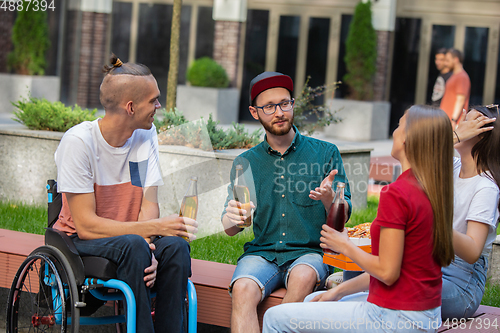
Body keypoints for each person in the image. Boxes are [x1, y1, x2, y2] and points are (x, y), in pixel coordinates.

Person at [262, 105, 455, 333]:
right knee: (313, 300)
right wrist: (338, 291)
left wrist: (345, 244)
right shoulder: (431, 189)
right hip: (424, 314)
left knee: (274, 317)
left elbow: (387, 272)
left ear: (408, 139)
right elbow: (397, 269)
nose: (394, 131)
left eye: (399, 125)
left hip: (394, 317)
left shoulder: (398, 193)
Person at [53, 55, 198, 333]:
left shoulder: (144, 135)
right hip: (80, 241)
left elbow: (147, 205)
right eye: (153, 100)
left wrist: (153, 246)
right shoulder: (79, 143)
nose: (159, 106)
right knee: (133, 245)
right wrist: (152, 233)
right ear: (130, 107)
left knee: (177, 248)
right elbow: (85, 226)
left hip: (134, 238)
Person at [221, 71, 352, 333]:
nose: (279, 112)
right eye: (269, 107)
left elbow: (345, 214)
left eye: (285, 103)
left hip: (309, 253)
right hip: (262, 253)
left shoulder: (326, 153)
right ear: (254, 112)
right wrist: (232, 218)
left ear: (293, 104)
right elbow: (230, 226)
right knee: (243, 288)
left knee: (303, 277)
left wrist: (330, 199)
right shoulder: (245, 162)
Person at [441, 105, 499, 320]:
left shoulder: (486, 187)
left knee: (398, 286)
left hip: (461, 283)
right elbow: (414, 150)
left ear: (481, 135)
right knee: (369, 271)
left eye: (468, 121)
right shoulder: (452, 167)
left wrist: (434, 221)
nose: (460, 125)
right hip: (431, 263)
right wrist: (454, 136)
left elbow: (473, 250)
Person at [440, 48, 471, 127]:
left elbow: (460, 100)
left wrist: (453, 120)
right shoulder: (454, 75)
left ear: (456, 60)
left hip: (452, 122)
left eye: (448, 60)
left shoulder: (462, 77)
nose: (445, 63)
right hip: (446, 120)